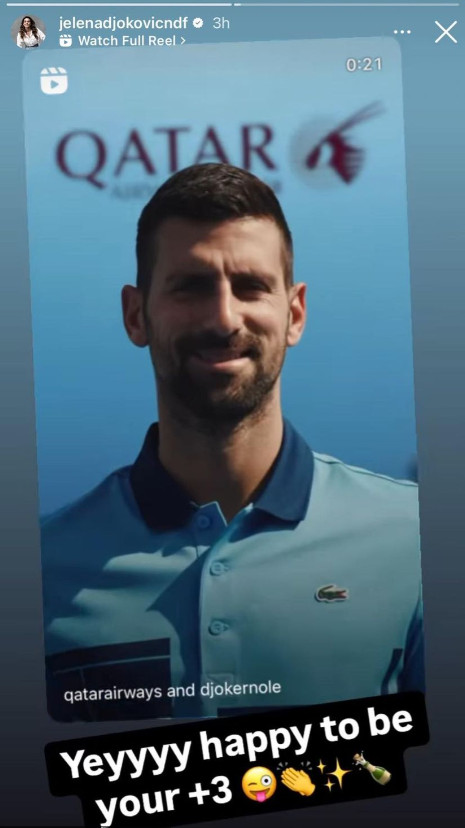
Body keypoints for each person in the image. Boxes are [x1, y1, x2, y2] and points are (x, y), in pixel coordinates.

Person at [41, 163, 424, 721]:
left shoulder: (416, 538)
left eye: (250, 287)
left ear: (294, 314)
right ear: (135, 315)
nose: (224, 319)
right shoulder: (40, 568)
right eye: (191, 286)